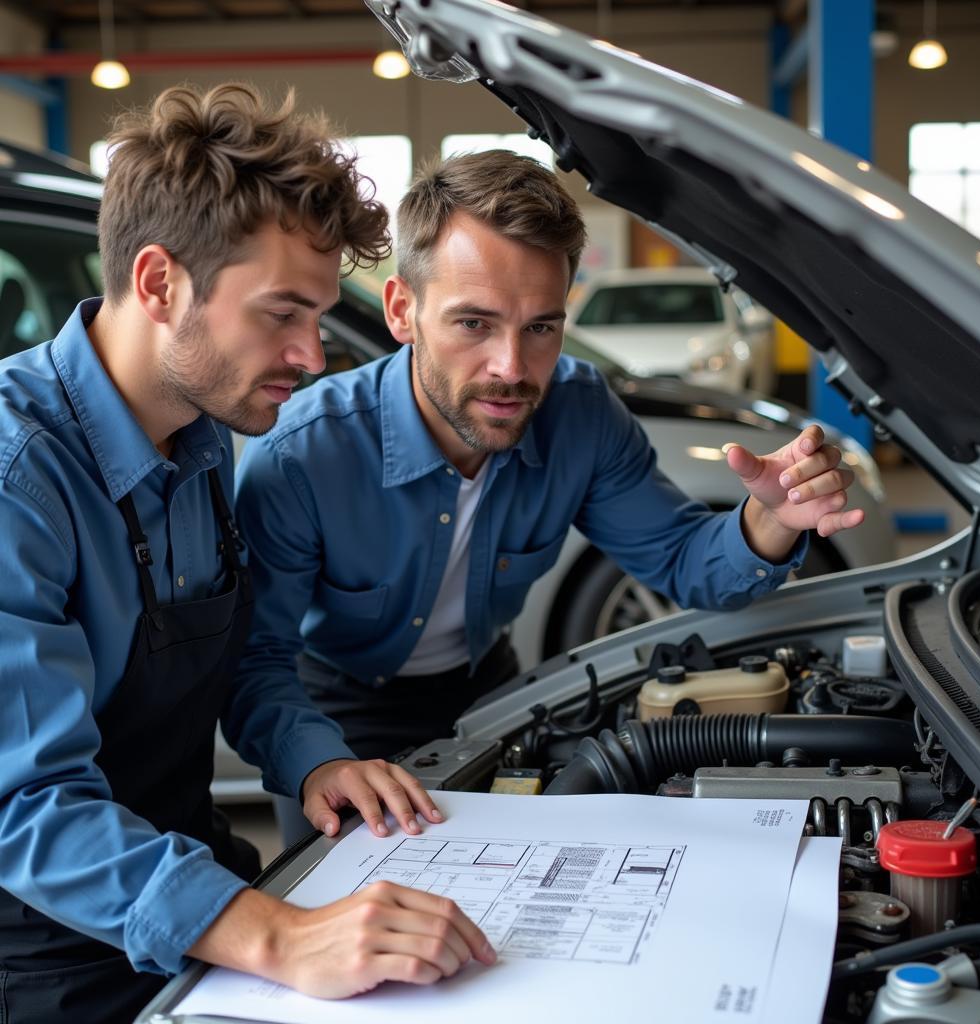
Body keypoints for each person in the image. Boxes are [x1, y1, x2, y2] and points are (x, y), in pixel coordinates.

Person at [0, 85, 495, 1024]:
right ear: (158, 284)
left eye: (318, 315)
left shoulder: (197, 433)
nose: (313, 356)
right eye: (282, 314)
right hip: (44, 954)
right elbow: (23, 808)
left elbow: (236, 663)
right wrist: (278, 937)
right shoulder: (15, 481)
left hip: (188, 890)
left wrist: (314, 760)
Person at [235, 149, 865, 847]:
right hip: (332, 712)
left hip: (490, 694)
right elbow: (255, 661)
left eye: (541, 326)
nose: (512, 367)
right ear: (402, 310)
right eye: (473, 323)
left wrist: (765, 521)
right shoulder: (303, 454)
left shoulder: (581, 415)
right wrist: (319, 763)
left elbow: (684, 560)